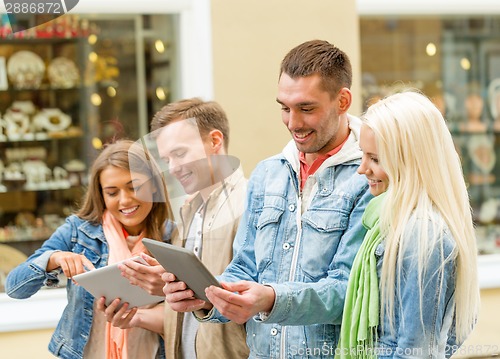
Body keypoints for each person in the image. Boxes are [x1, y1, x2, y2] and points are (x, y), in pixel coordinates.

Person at [163, 39, 372, 358]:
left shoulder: (367, 178)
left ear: (343, 100)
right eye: (284, 108)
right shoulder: (267, 174)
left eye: (306, 108)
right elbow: (244, 268)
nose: (293, 123)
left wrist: (271, 299)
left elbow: (349, 291)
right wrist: (206, 296)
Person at [337, 91, 479, 358]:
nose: (362, 168)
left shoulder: (421, 234)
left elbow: (416, 350)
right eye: (363, 155)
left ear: (411, 161)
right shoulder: (391, 218)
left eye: (376, 159)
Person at [5, 139, 173, 359]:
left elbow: (185, 317)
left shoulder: (174, 237)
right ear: (101, 195)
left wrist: (139, 316)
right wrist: (53, 258)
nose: (125, 200)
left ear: (153, 185)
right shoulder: (78, 231)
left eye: (134, 187)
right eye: (112, 192)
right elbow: (14, 288)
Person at [116, 98, 250, 358]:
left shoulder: (248, 206)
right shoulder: (190, 212)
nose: (173, 168)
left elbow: (252, 302)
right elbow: (189, 317)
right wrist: (142, 311)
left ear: (214, 141)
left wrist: (178, 282)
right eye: (167, 158)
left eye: (179, 153)